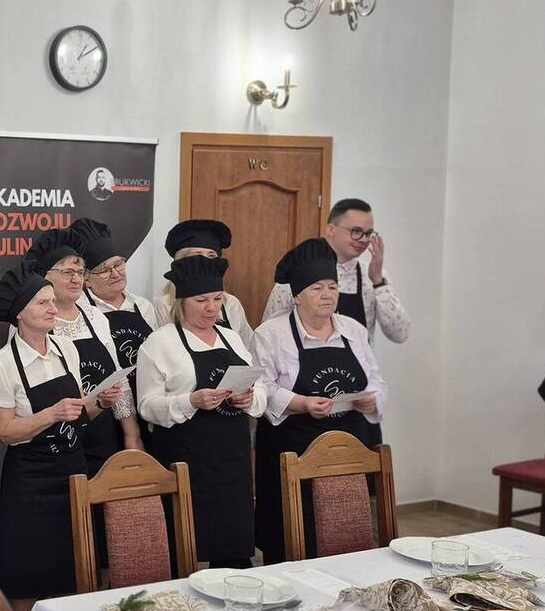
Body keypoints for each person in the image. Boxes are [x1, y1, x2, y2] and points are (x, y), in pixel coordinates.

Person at [252, 239, 386, 563]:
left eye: (332, 287)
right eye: (317, 288)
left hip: (345, 449)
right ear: (297, 295)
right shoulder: (270, 333)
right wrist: (300, 403)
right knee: (289, 537)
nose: (327, 295)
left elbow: (376, 380)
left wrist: (372, 400)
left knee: (345, 536)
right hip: (290, 447)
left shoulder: (353, 330)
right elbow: (261, 387)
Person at [0, 263, 104, 611]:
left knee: (72, 566)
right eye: (43, 303)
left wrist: (100, 402)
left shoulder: (67, 348)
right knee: (25, 572)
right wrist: (51, 414)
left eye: (53, 301)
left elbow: (78, 413)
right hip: (30, 482)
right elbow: (6, 431)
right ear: (20, 314)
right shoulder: (4, 363)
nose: (54, 309)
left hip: (72, 472)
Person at [138, 255, 266, 569]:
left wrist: (250, 398)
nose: (212, 308)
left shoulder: (231, 338)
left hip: (233, 462)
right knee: (186, 546)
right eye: (202, 300)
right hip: (187, 462)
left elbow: (260, 387)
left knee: (234, 552)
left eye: (218, 299)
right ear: (181, 302)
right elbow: (147, 406)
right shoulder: (159, 343)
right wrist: (190, 401)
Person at [24, 228, 141, 476]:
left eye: (79, 272)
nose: (76, 279)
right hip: (56, 442)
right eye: (67, 272)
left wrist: (132, 435)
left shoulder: (95, 316)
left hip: (102, 437)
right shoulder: (32, 322)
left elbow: (118, 380)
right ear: (44, 277)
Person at [261, 198, 410, 347]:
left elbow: (400, 334)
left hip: (356, 362)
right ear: (331, 229)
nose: (363, 239)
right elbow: (268, 336)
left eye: (368, 233)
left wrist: (379, 282)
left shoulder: (371, 276)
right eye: (356, 231)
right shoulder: (297, 271)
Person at [71, 217, 160, 370]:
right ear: (86, 278)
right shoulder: (78, 309)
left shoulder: (143, 306)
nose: (116, 274)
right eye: (104, 270)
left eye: (118, 264)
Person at [152, 220, 255, 346]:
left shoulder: (231, 304)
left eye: (211, 256)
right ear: (181, 262)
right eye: (198, 256)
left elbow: (247, 346)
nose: (206, 262)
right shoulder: (163, 305)